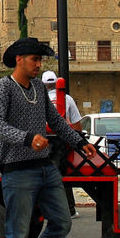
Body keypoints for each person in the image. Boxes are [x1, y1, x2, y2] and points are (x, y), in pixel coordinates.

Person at [0, 37, 97, 238]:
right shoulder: (4, 87)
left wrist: (80, 142)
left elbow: (57, 122)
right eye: (34, 59)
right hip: (17, 171)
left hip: (44, 167)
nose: (39, 64)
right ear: (19, 59)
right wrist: (27, 138)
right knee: (16, 237)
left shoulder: (38, 87)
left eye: (40, 60)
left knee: (62, 222)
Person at [42, 70, 82, 218]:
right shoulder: (67, 99)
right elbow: (77, 123)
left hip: (43, 142)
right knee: (63, 176)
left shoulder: (39, 99)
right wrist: (78, 140)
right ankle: (69, 209)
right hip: (62, 142)